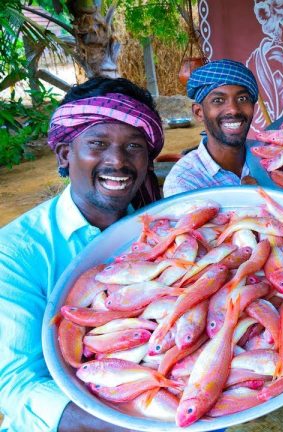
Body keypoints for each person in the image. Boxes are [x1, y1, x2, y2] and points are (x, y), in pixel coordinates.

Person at [0, 77, 164, 431]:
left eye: (134, 146)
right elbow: (17, 386)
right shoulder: (15, 253)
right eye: (98, 143)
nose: (117, 161)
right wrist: (135, 425)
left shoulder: (159, 232)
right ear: (64, 154)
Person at [163, 59, 259, 197]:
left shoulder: (269, 156)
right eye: (218, 100)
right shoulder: (184, 182)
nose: (233, 110)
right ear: (199, 112)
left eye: (242, 99)